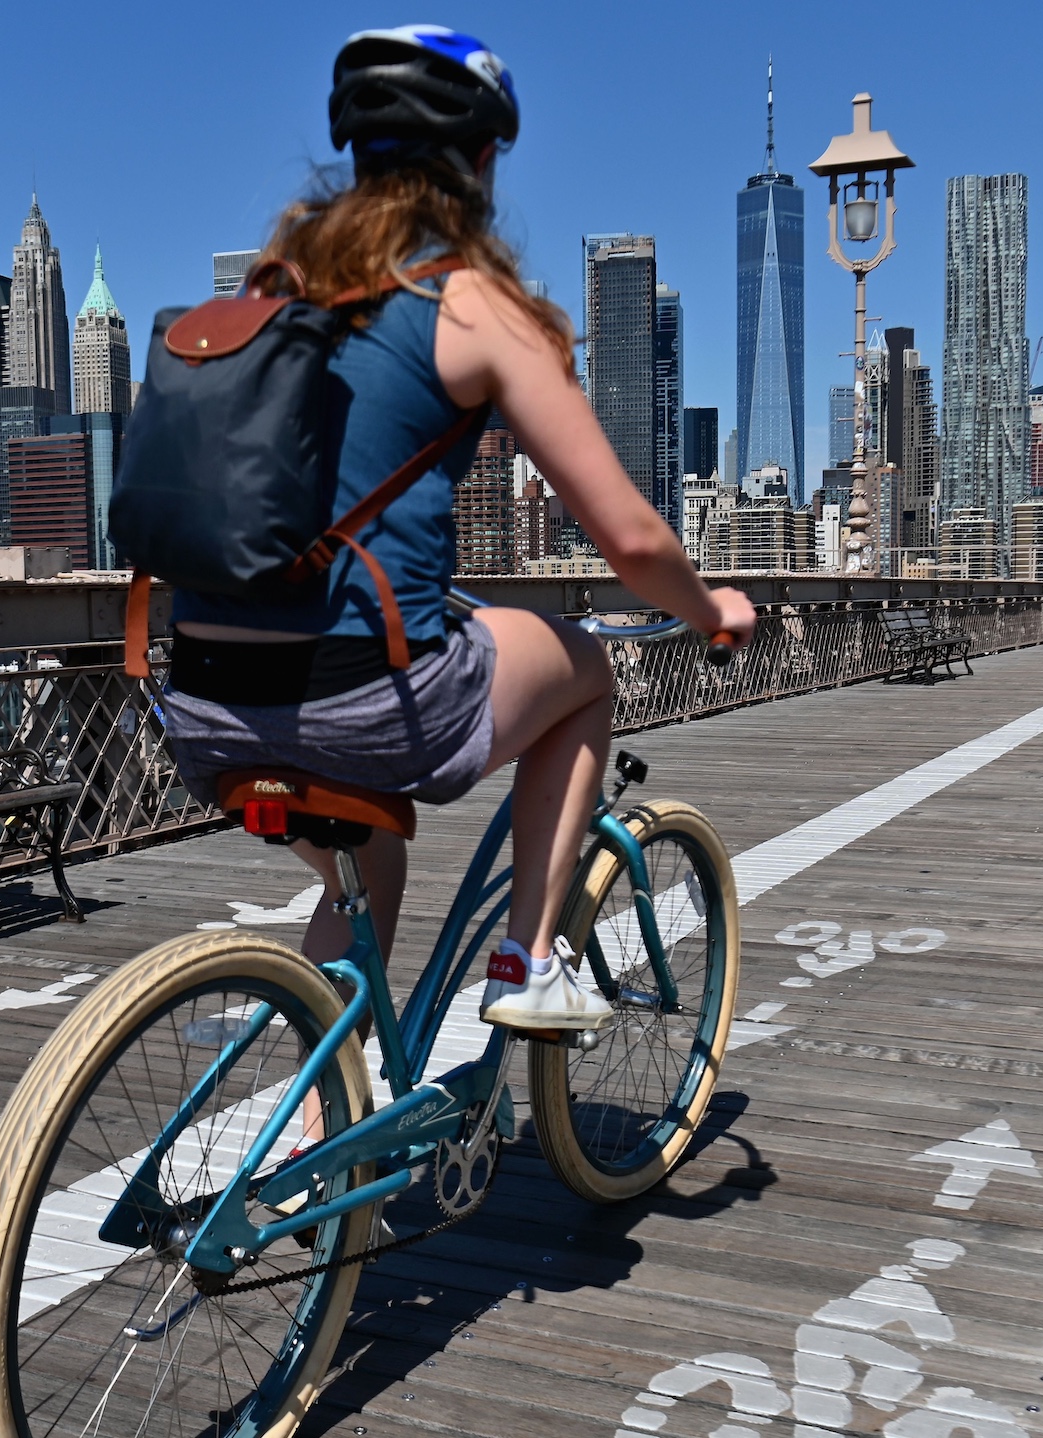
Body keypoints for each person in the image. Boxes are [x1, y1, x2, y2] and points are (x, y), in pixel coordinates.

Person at [157, 25, 756, 1032]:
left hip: (203, 703)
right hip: (368, 703)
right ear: (481, 162)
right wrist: (711, 609)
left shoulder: (270, 286)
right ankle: (526, 958)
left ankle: (322, 1145)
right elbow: (634, 543)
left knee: (364, 870)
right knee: (585, 678)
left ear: (352, 153)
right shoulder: (469, 305)